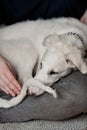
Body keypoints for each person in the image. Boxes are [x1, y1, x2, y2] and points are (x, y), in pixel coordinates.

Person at [0, 0, 87, 123]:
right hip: (6, 48)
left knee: (82, 91)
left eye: (53, 72)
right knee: (79, 95)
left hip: (72, 33)